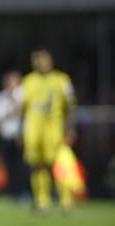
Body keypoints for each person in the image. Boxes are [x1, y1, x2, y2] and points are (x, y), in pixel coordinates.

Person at [21, 49, 76, 212]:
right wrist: (20, 130)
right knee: (38, 165)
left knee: (59, 164)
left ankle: (66, 200)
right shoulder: (28, 81)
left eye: (42, 60)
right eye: (35, 60)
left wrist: (70, 128)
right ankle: (42, 201)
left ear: (50, 61)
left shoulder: (62, 79)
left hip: (54, 129)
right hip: (33, 130)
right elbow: (22, 108)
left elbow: (71, 106)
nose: (39, 63)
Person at [0, 71, 28, 198]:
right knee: (9, 166)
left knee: (23, 166)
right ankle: (12, 193)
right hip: (6, 137)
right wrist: (9, 112)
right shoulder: (0, 98)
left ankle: (24, 192)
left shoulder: (24, 96)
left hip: (21, 137)